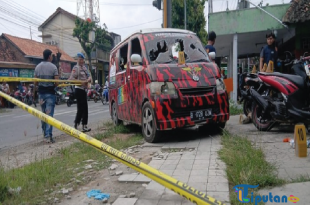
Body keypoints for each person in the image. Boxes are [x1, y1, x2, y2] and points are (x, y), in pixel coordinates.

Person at [34, 49, 59, 143]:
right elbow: (56, 83)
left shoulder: (37, 67)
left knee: (43, 114)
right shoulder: (53, 67)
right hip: (50, 94)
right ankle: (49, 135)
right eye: (52, 56)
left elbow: (35, 82)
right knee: (49, 114)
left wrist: (34, 94)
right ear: (49, 56)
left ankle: (45, 134)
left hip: (41, 94)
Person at [69, 52, 92, 132]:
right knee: (81, 108)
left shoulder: (84, 68)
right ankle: (79, 124)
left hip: (84, 89)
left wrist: (88, 80)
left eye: (82, 59)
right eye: (80, 59)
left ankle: (81, 124)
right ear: (77, 59)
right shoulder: (76, 68)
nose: (81, 61)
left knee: (84, 108)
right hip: (78, 89)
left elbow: (89, 76)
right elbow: (71, 79)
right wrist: (81, 82)